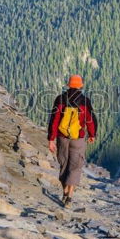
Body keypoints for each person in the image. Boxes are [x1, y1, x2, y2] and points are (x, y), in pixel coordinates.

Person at [47, 74, 97, 207]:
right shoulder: (85, 101)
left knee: (63, 164)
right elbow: (90, 119)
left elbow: (54, 120)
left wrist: (51, 139)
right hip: (78, 138)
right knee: (75, 166)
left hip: (62, 137)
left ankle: (64, 192)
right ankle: (69, 196)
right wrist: (92, 134)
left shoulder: (60, 99)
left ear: (68, 85)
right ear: (80, 86)